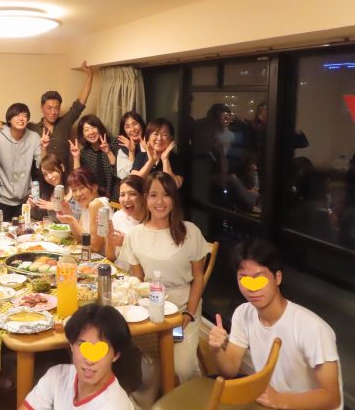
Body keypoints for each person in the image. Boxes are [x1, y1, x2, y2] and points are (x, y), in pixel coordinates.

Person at [209, 239, 342, 410]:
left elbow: (332, 398)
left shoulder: (312, 328)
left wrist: (279, 400)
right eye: (244, 279)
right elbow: (230, 371)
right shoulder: (243, 314)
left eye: (259, 279)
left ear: (277, 278)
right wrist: (216, 350)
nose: (252, 288)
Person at [119, 171, 209, 383]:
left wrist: (188, 314)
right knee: (147, 363)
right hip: (151, 311)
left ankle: (192, 396)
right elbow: (138, 280)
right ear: (145, 198)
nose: (160, 202)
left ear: (174, 199)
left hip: (182, 311)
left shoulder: (190, 232)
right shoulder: (135, 235)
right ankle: (153, 395)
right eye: (153, 195)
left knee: (182, 366)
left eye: (166, 194)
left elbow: (198, 277)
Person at [19, 304, 134, 410]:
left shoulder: (115, 406)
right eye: (83, 346)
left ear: (115, 355)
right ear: (71, 345)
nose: (89, 360)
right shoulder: (56, 376)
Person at [31, 61, 94, 170]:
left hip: (65, 175)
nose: (53, 112)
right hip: (43, 175)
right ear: (42, 108)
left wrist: (90, 75)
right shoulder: (33, 128)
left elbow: (79, 104)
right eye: (49, 108)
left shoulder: (65, 123)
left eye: (57, 108)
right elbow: (11, 125)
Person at [0, 102, 42, 220]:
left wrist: (44, 148)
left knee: (24, 229)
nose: (21, 118)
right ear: (9, 119)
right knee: (2, 230)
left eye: (24, 115)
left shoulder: (34, 137)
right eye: (17, 115)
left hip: (25, 198)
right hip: (1, 198)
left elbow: (41, 165)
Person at [57, 167, 111, 253]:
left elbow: (95, 247)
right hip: (91, 255)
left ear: (94, 187)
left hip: (103, 258)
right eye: (74, 190)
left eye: (82, 188)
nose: (78, 194)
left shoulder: (96, 204)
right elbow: (78, 238)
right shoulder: (86, 205)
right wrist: (69, 215)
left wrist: (74, 221)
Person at [70, 114, 119, 199]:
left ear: (99, 128)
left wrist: (109, 152)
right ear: (83, 135)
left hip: (116, 197)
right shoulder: (85, 153)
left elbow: (120, 173)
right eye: (86, 130)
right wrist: (76, 157)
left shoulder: (114, 143)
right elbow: (78, 178)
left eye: (93, 127)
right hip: (95, 198)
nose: (91, 132)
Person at [105, 175, 146, 272]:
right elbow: (111, 258)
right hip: (119, 273)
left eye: (132, 194)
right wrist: (108, 234)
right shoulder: (118, 216)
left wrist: (126, 243)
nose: (126, 199)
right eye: (122, 195)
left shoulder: (153, 223)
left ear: (143, 196)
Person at [131, 118, 184, 188]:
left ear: (171, 138)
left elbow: (175, 186)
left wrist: (165, 160)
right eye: (155, 134)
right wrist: (150, 162)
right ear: (147, 137)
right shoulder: (141, 156)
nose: (159, 138)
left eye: (164, 135)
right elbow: (133, 184)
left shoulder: (176, 159)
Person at [29, 153, 74, 221]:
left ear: (62, 167)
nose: (49, 177)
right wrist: (33, 207)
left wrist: (57, 206)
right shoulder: (46, 192)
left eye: (52, 171)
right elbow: (39, 219)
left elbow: (80, 218)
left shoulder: (74, 190)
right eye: (45, 174)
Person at [116, 112, 146, 180]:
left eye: (135, 124)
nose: (132, 129)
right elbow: (125, 177)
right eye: (127, 127)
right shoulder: (123, 150)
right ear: (125, 132)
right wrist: (131, 152)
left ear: (141, 125)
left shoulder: (152, 142)